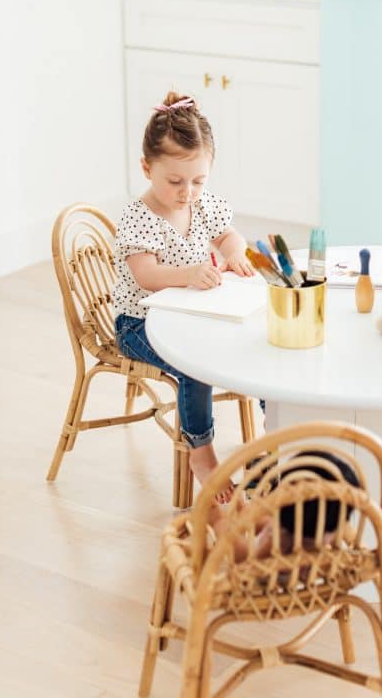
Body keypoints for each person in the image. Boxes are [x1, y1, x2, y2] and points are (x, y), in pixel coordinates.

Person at [113, 91, 254, 501]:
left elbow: (229, 234)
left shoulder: (201, 203)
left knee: (255, 339)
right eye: (175, 181)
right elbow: (146, 275)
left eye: (198, 181)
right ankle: (201, 450)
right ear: (146, 168)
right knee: (196, 363)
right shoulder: (139, 216)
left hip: (187, 314)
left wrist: (234, 252)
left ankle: (276, 437)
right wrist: (190, 274)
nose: (187, 192)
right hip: (138, 323)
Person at [207, 450, 361, 563]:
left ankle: (231, 516)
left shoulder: (278, 542)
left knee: (232, 530)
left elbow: (243, 556)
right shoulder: (327, 533)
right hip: (304, 549)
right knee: (265, 520)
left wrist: (218, 522)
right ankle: (244, 509)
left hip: (270, 582)